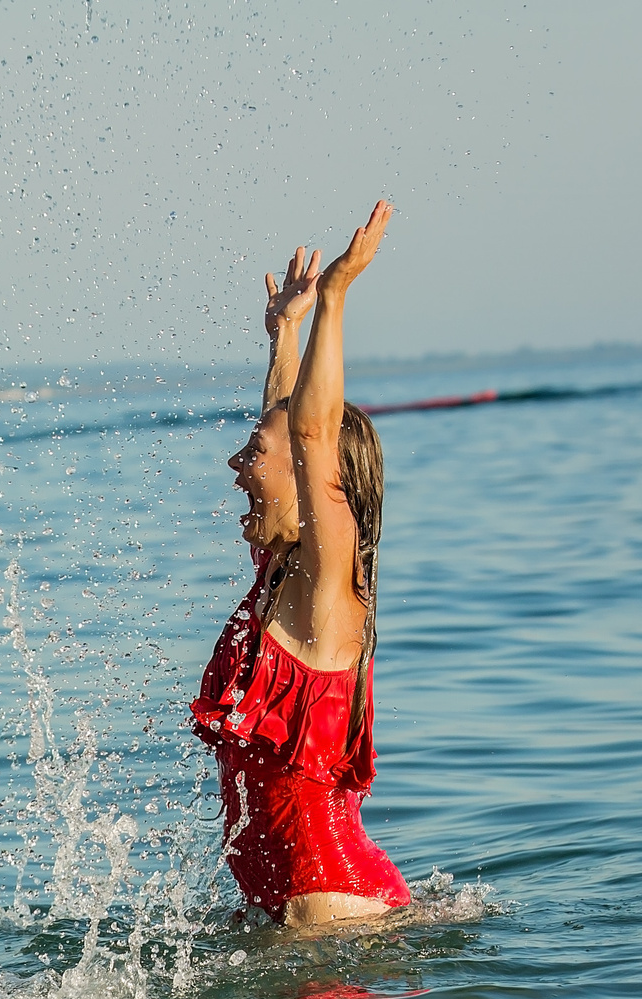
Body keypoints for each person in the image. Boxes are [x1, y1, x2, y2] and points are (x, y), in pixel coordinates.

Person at [192, 201, 410, 927]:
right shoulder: (280, 572)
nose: (236, 463)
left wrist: (335, 297)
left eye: (252, 454)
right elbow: (288, 427)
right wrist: (285, 332)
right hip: (287, 916)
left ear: (314, 481)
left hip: (330, 916)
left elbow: (308, 434)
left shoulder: (328, 588)